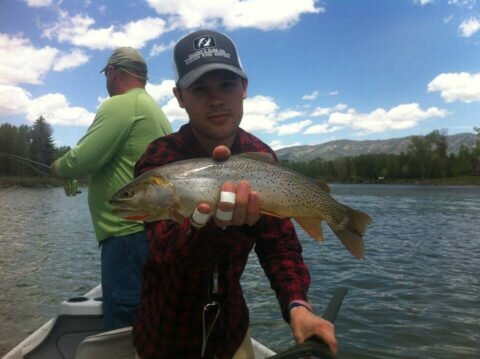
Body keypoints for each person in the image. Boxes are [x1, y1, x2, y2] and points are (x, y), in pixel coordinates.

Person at [133, 30, 337, 358]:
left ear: (244, 89)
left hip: (230, 333)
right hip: (165, 336)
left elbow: (279, 243)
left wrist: (297, 305)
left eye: (226, 85)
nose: (216, 99)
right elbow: (165, 252)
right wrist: (211, 228)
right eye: (200, 88)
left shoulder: (261, 156)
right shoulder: (160, 160)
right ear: (179, 96)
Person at [51, 47, 172, 330]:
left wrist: (57, 167)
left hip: (125, 235)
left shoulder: (119, 105)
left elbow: (84, 158)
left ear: (113, 72)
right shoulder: (154, 109)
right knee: (150, 315)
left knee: (123, 319)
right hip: (151, 233)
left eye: (106, 74)